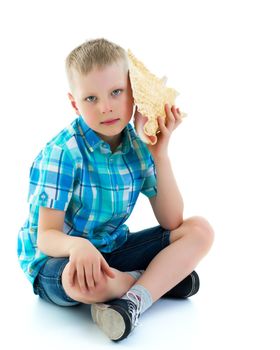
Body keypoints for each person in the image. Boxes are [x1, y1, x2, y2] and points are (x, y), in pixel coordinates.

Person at [17, 38, 214, 342]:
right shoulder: (63, 153)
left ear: (133, 92)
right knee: (78, 282)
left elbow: (172, 221)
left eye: (116, 92)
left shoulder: (137, 146)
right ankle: (154, 283)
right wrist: (76, 247)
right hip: (59, 261)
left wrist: (159, 154)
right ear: (74, 103)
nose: (106, 107)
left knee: (199, 230)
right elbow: (45, 238)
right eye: (91, 99)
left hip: (110, 251)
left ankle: (132, 298)